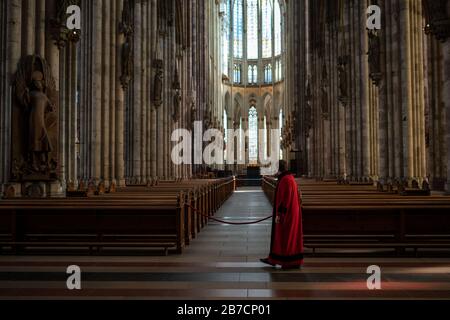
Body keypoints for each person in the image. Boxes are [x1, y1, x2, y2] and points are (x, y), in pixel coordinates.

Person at [260, 160, 304, 269]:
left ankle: (288, 261)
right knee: (285, 237)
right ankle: (276, 259)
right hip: (290, 214)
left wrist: (280, 215)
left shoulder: (286, 180)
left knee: (285, 238)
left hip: (287, 215)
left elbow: (286, 200)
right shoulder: (288, 178)